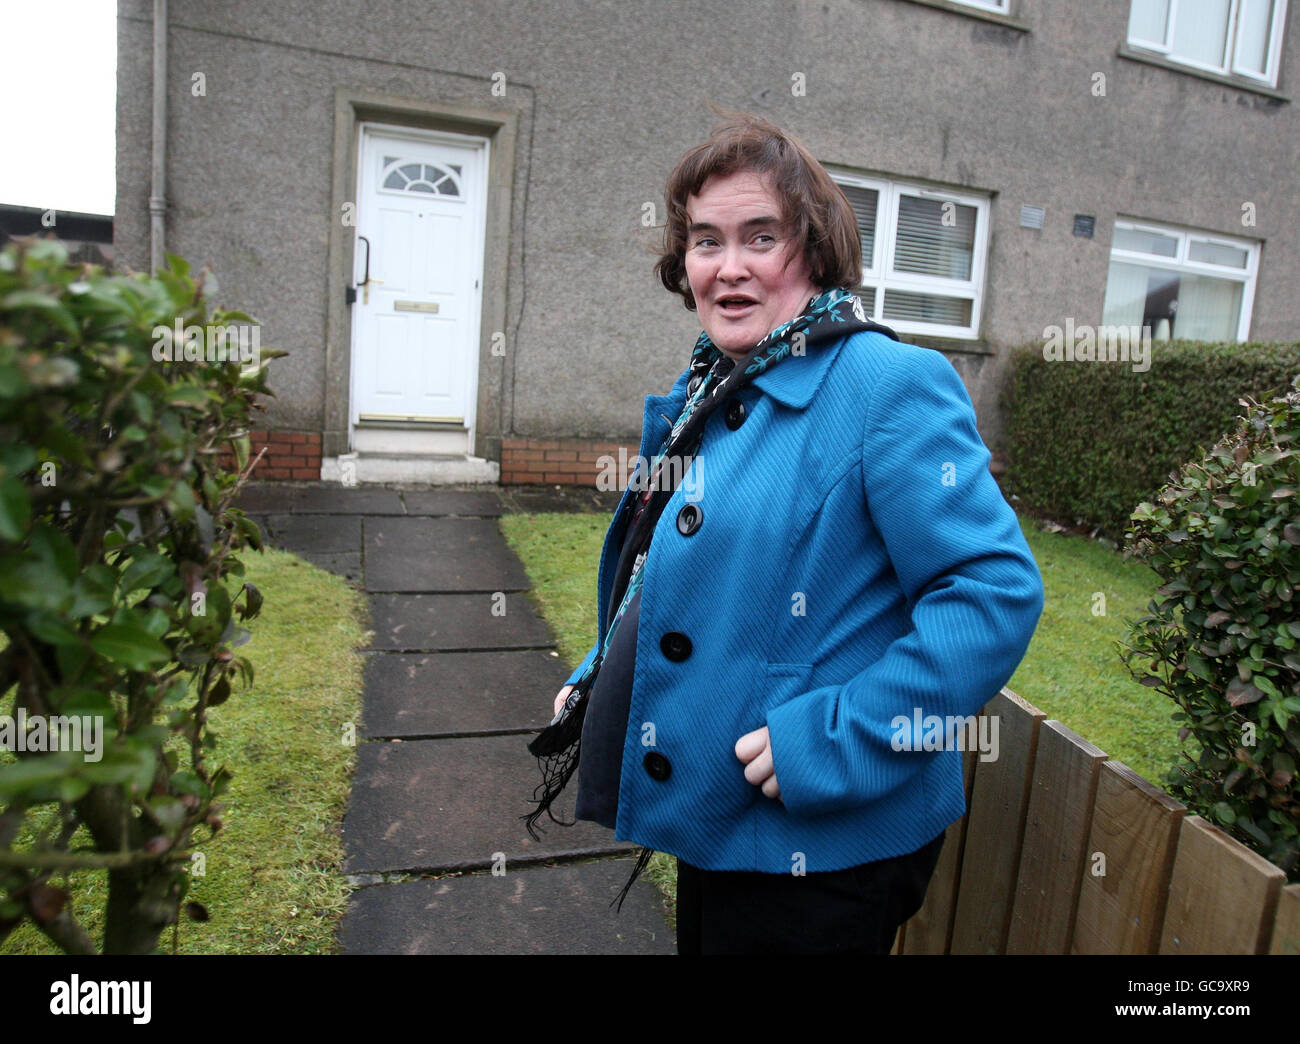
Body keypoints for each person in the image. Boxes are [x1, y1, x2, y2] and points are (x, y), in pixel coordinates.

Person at [524, 110, 1044, 955]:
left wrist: (832, 739)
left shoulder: (888, 385)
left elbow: (991, 596)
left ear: (814, 251)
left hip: (822, 839)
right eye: (705, 241)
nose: (727, 268)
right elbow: (676, 572)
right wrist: (601, 674)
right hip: (725, 818)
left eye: (760, 238)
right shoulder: (719, 386)